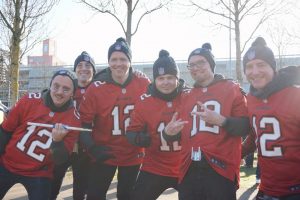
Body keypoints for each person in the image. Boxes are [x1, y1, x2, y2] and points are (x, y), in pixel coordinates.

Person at [163, 43, 249, 200]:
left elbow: (245, 127)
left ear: (211, 64)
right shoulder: (185, 95)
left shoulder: (232, 88)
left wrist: (221, 120)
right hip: (189, 168)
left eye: (201, 62)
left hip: (220, 169)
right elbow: (181, 134)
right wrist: (168, 133)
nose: (196, 67)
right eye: (192, 65)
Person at [79, 37, 151, 200]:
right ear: (108, 61)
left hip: (133, 152)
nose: (118, 63)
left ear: (130, 61)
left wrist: (147, 137)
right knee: (94, 196)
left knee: (126, 196)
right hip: (105, 151)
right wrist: (92, 148)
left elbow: (152, 114)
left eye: (123, 59)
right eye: (114, 59)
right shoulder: (96, 88)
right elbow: (84, 125)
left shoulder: (143, 83)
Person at [0, 69, 80, 200]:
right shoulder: (29, 100)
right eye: (56, 86)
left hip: (39, 172)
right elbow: (5, 131)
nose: (59, 92)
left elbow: (61, 159)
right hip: (8, 164)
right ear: (50, 85)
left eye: (66, 89)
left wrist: (58, 141)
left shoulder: (74, 119)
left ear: (73, 93)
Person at [242, 37, 300, 200]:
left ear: (273, 67)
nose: (254, 72)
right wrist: (235, 153)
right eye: (249, 67)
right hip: (267, 188)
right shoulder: (251, 98)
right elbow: (256, 134)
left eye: (261, 65)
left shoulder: (295, 94)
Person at [126, 49, 188, 200]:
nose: (166, 82)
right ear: (154, 80)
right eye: (161, 78)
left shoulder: (189, 97)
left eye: (170, 77)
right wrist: (151, 138)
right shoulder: (144, 101)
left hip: (185, 167)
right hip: (155, 166)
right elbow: (131, 134)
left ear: (177, 78)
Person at [51, 51, 96, 200]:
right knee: (52, 185)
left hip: (85, 148)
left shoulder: (99, 88)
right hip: (63, 142)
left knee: (80, 190)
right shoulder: (67, 86)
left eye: (88, 65)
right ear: (75, 69)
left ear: (93, 70)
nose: (83, 68)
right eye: (80, 65)